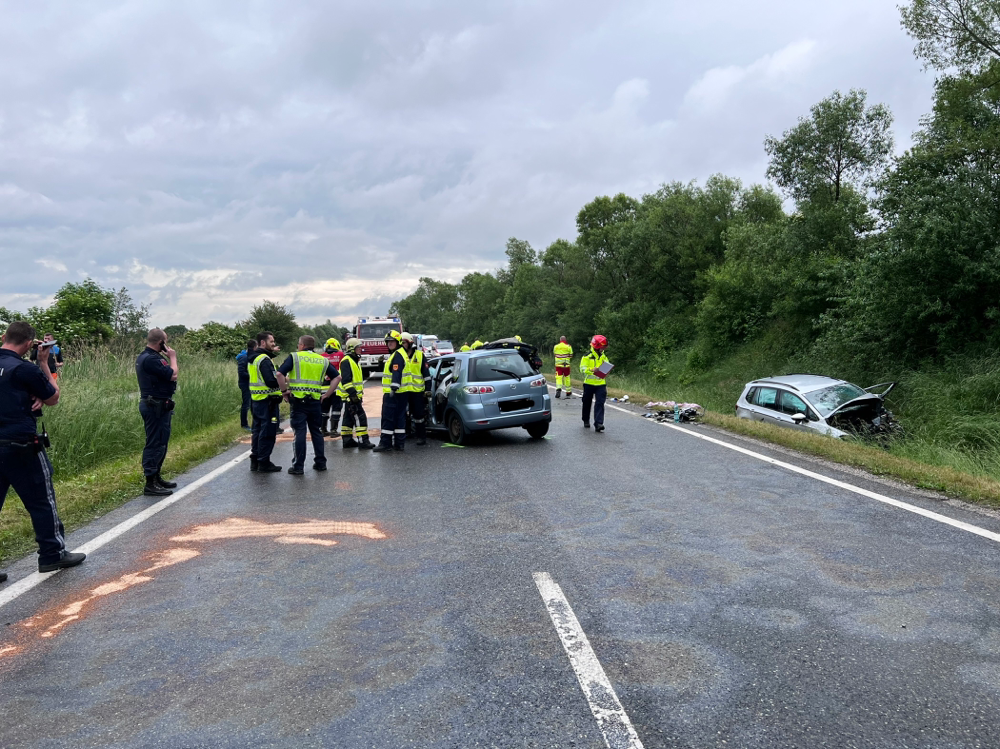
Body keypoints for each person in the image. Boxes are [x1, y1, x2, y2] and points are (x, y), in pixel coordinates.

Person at [0, 322, 86, 579]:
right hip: (20, 445)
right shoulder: (24, 368)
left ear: (4, 336)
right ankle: (52, 554)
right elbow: (53, 397)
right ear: (29, 344)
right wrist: (44, 363)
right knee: (41, 500)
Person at [278, 336, 340, 475]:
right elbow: (337, 377)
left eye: (298, 344)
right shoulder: (322, 360)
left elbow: (279, 374)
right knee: (316, 432)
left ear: (302, 345)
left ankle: (298, 466)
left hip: (299, 401)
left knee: (300, 433)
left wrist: (284, 392)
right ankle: (320, 463)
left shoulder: (295, 357)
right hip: (315, 401)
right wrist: (327, 394)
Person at [136, 328, 180, 496]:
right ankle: (150, 482)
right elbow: (172, 375)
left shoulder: (146, 356)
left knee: (161, 442)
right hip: (155, 405)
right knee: (155, 443)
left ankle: (156, 477)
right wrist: (173, 358)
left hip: (158, 405)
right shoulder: (151, 359)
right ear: (160, 342)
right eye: (165, 341)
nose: (167, 345)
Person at [248, 331, 288, 473]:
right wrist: (284, 383)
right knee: (268, 432)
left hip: (257, 401)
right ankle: (264, 462)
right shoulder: (264, 360)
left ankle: (255, 460)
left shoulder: (253, 358)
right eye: (271, 341)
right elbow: (271, 381)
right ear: (263, 343)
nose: (274, 344)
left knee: (257, 431)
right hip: (268, 403)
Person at [372, 330, 409, 453]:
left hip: (394, 393)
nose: (389, 343)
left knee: (388, 418)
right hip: (402, 393)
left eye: (392, 341)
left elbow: (396, 372)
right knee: (399, 419)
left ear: (398, 342)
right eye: (388, 342)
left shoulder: (397, 355)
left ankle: (385, 443)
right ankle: (399, 443)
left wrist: (393, 388)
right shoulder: (401, 353)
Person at [337, 338, 375, 449]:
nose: (360, 350)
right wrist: (353, 395)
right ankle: (363, 441)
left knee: (348, 420)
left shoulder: (353, 360)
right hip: (351, 397)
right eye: (358, 347)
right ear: (352, 349)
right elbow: (346, 381)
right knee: (360, 418)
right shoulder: (347, 361)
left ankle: (347, 440)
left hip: (353, 397)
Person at [400, 332, 430, 446]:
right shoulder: (399, 355)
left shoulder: (420, 355)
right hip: (403, 390)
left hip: (417, 391)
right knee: (403, 414)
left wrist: (428, 390)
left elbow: (426, 374)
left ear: (410, 343)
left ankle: (421, 436)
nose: (402, 345)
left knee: (419, 415)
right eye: (401, 342)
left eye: (404, 342)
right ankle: (406, 433)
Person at [580, 334, 610, 433]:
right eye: (602, 347)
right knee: (586, 402)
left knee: (600, 403)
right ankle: (586, 419)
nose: (603, 349)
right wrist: (592, 369)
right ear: (597, 346)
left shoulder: (604, 356)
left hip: (601, 383)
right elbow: (582, 369)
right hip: (589, 383)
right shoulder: (587, 356)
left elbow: (606, 366)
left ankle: (599, 423)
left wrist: (607, 371)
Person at [320, 337, 345, 436]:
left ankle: (323, 429)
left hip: (323, 388)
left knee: (324, 410)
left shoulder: (321, 357)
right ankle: (334, 430)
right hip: (336, 387)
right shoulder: (341, 355)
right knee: (336, 409)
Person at [236, 339, 255, 431]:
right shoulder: (244, 358)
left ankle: (254, 423)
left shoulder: (250, 357)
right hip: (245, 384)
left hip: (250, 384)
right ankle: (244, 424)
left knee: (252, 404)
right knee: (246, 404)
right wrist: (252, 375)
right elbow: (241, 372)